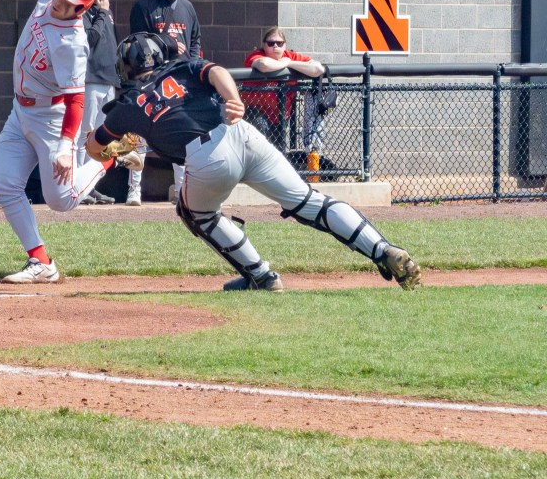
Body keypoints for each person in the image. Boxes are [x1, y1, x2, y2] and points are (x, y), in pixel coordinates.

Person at [87, 32, 422, 292]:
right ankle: (383, 249)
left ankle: (261, 275)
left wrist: (116, 152)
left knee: (195, 214)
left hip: (205, 157)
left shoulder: (130, 102)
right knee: (309, 201)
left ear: (126, 68)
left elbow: (92, 146)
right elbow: (216, 71)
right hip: (239, 131)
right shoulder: (182, 64)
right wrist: (233, 99)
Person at [0, 0, 132, 284]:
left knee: (62, 201)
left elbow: (75, 99)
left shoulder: (72, 43)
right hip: (20, 111)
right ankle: (42, 262)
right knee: (6, 186)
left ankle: (109, 155)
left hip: (53, 118)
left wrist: (64, 144)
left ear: (81, 8)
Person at [128, 0, 202, 204]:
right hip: (152, 76)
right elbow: (138, 42)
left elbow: (195, 41)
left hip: (180, 78)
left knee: (181, 132)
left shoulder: (187, 7)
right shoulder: (144, 6)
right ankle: (134, 190)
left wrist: (191, 67)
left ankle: (182, 189)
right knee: (140, 131)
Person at [76, 0, 120, 206]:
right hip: (90, 80)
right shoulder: (82, 11)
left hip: (108, 80)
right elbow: (89, 40)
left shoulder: (106, 12)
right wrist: (102, 12)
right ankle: (79, 186)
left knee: (102, 139)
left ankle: (91, 186)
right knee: (85, 135)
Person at [243, 27, 325, 149]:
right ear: (264, 45)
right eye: (271, 43)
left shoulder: (289, 56)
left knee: (279, 149)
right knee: (260, 144)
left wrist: (290, 63)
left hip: (279, 116)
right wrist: (285, 63)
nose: (275, 46)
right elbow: (264, 65)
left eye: (279, 43)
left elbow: (318, 69)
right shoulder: (257, 55)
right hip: (255, 113)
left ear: (285, 45)